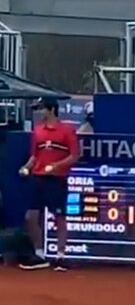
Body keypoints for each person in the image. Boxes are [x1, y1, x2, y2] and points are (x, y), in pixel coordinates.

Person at [18, 97, 80, 271]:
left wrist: (56, 166)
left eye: (42, 109)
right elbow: (34, 156)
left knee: (59, 218)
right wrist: (26, 167)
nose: (39, 112)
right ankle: (40, 255)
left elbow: (74, 156)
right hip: (38, 178)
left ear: (51, 110)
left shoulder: (67, 131)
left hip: (57, 180)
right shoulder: (37, 131)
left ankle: (60, 257)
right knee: (30, 217)